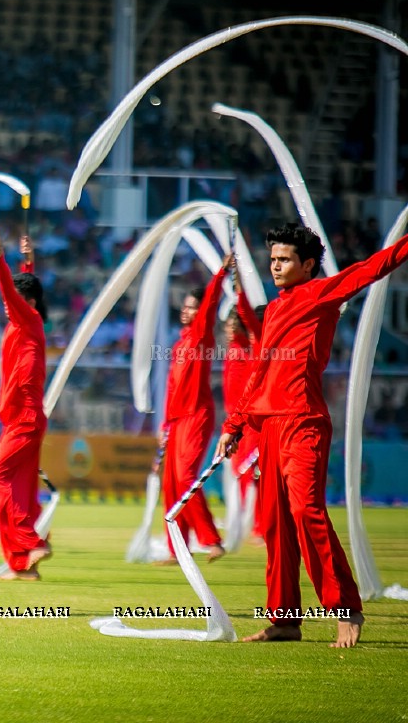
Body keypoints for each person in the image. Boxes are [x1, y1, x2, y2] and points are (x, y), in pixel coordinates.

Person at [216, 223, 408, 648]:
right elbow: (260, 373)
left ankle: (345, 607)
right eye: (273, 260)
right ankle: (284, 620)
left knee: (306, 511)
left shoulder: (320, 293)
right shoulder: (277, 308)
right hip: (267, 427)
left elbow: (372, 267)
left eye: (284, 260)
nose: (276, 266)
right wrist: (234, 425)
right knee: (277, 526)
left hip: (303, 422)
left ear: (306, 264)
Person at [0, 234, 52, 580]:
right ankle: (23, 564)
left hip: (24, 418)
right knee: (20, 493)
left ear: (31, 302)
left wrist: (0, 260)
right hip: (21, 418)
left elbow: (14, 295)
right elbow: (21, 293)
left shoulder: (28, 319)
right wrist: (28, 262)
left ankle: (32, 541)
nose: (9, 306)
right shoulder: (24, 323)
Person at [159, 261, 229, 565]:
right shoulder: (179, 344)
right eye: (184, 307)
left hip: (197, 415)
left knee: (187, 477)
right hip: (176, 419)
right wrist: (165, 424)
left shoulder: (201, 337)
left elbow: (211, 305)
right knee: (171, 483)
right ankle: (178, 549)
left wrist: (220, 275)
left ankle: (211, 540)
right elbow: (172, 388)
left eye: (192, 308)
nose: (186, 311)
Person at [223, 282, 264, 542]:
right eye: (226, 324)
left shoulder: (251, 347)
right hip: (235, 420)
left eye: (233, 323)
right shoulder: (232, 349)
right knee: (241, 472)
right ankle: (245, 521)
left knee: (253, 473)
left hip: (250, 421)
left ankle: (259, 525)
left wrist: (239, 290)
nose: (229, 328)